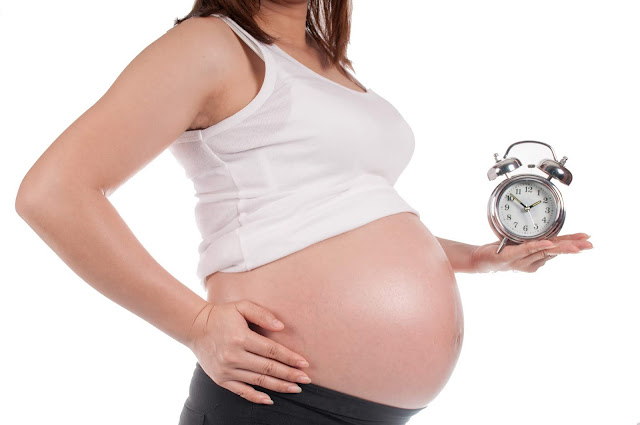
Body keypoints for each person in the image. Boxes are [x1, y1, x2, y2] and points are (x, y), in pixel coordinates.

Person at [14, 1, 593, 424]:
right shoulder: (210, 45)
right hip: (276, 402)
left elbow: (344, 218)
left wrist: (481, 258)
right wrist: (195, 325)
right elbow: (54, 193)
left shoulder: (328, 63)